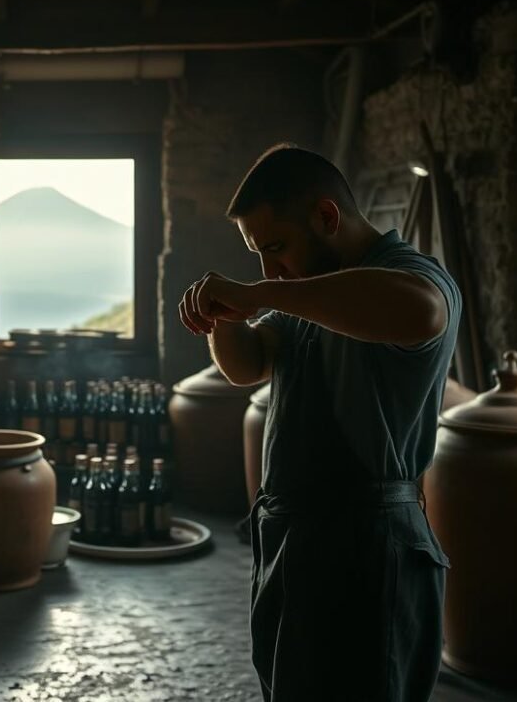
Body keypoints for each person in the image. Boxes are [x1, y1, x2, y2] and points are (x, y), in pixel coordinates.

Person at [178, 144, 460, 701]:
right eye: (259, 256)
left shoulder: (407, 276)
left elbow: (421, 311)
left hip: (366, 546)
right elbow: (248, 365)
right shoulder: (305, 295)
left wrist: (260, 294)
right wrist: (222, 319)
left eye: (277, 247)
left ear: (327, 218)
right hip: (291, 538)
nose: (269, 270)